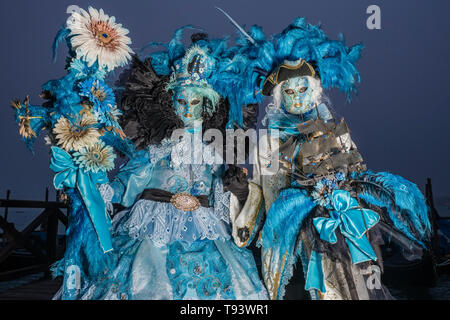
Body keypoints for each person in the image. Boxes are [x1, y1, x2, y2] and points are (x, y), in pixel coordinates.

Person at [226, 17, 432, 300]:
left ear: (314, 91)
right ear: (279, 97)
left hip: (341, 234)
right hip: (291, 242)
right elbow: (264, 193)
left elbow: (357, 175)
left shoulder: (336, 131)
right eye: (289, 92)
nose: (297, 98)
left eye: (302, 90)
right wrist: (242, 192)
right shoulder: (269, 142)